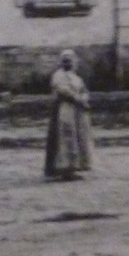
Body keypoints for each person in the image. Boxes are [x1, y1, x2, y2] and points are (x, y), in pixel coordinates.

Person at [45, 50, 94, 180]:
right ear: (61, 62)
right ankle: (63, 168)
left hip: (77, 112)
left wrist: (84, 98)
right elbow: (62, 90)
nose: (68, 62)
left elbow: (84, 89)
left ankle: (74, 167)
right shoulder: (58, 76)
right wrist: (77, 99)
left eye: (71, 60)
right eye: (65, 60)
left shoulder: (76, 77)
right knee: (66, 136)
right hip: (64, 109)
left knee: (77, 137)